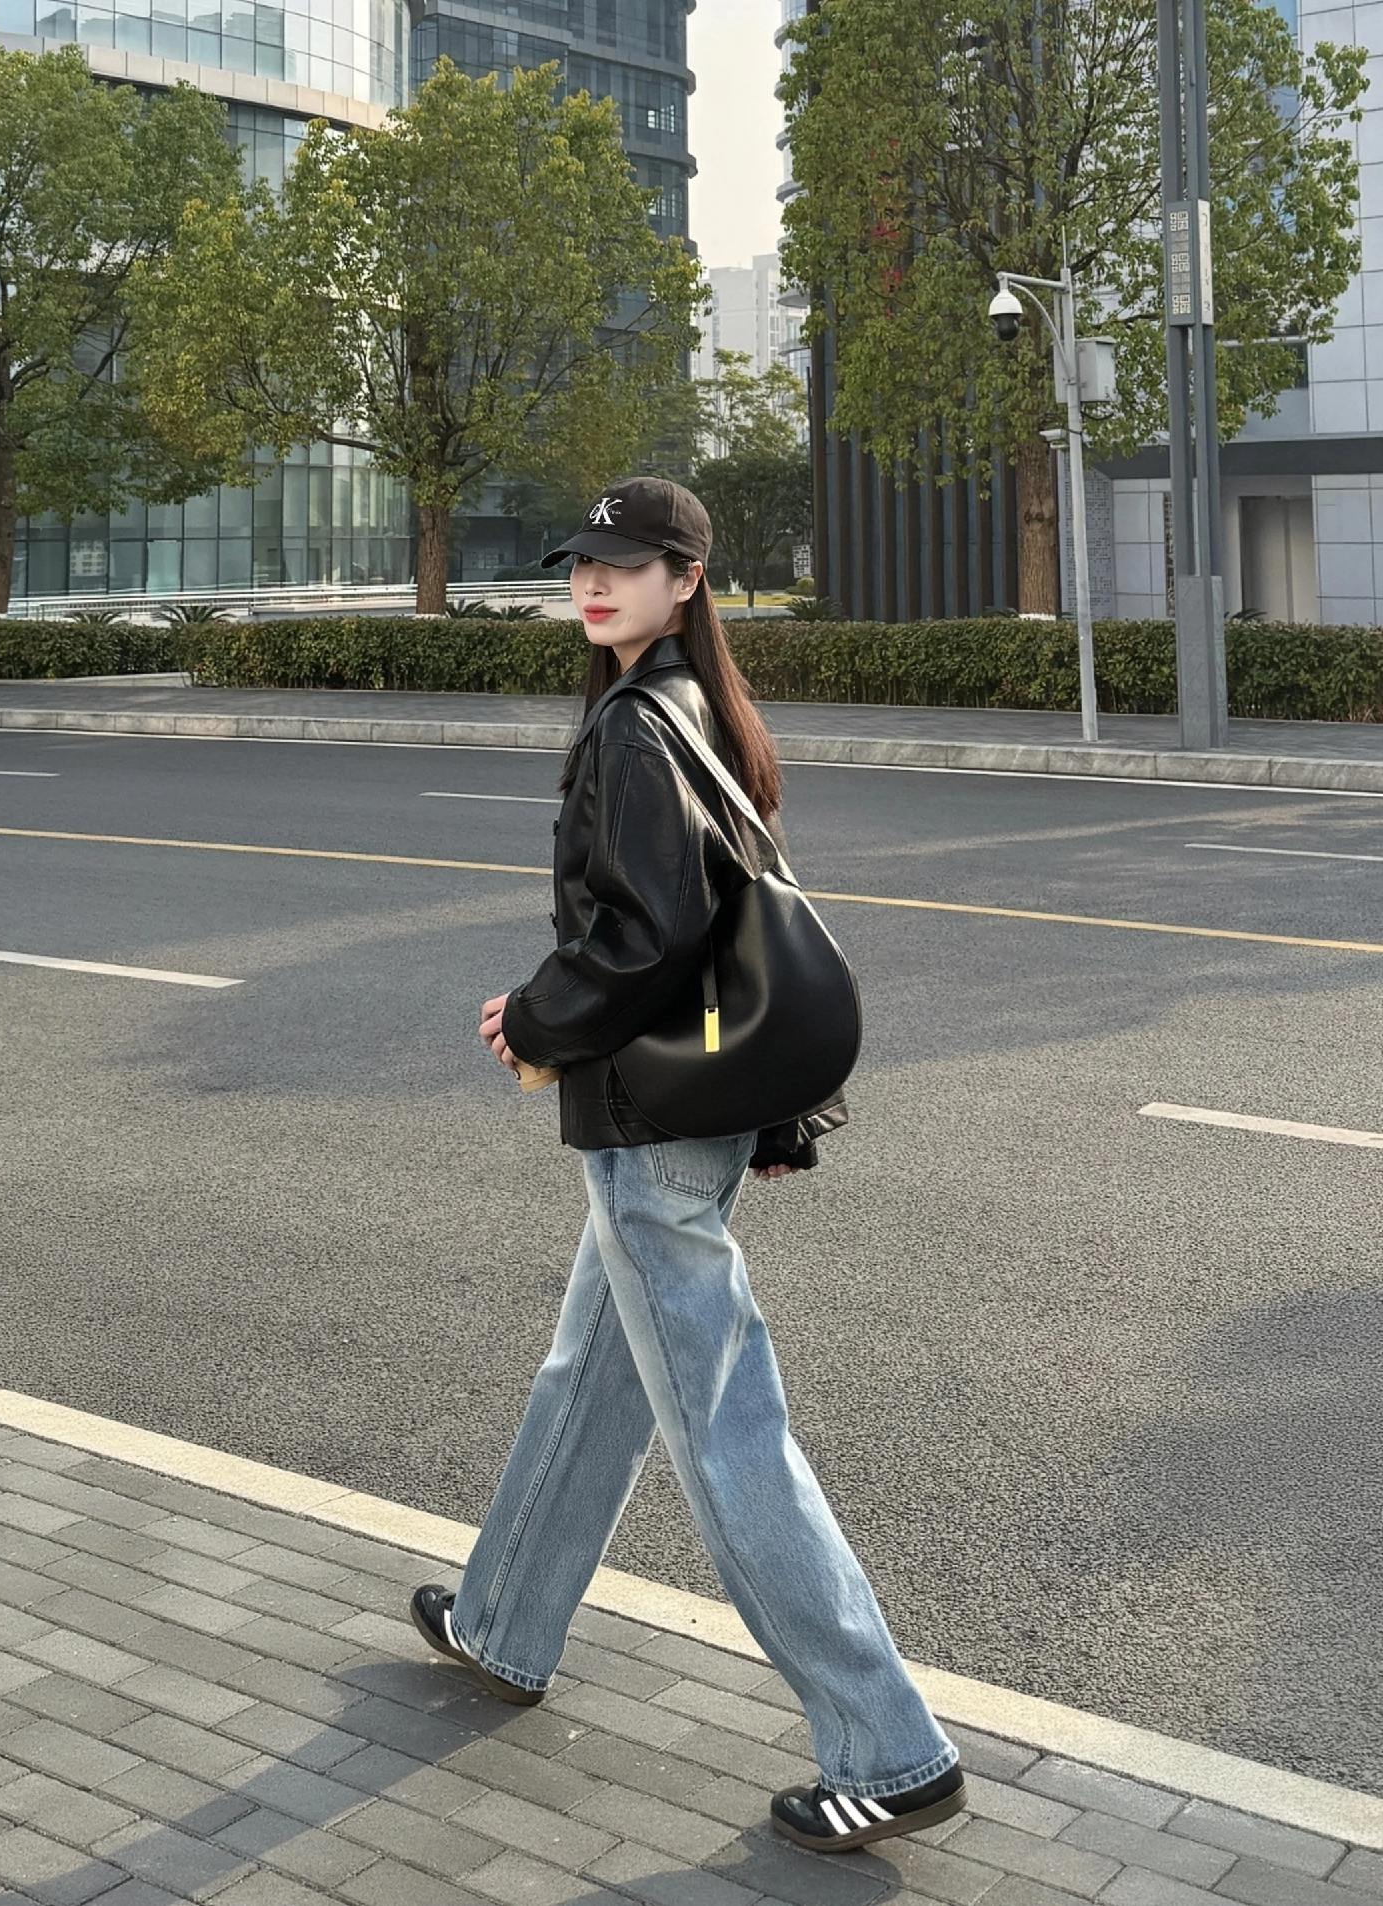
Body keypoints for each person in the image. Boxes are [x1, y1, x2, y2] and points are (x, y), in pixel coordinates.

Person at [409, 477, 965, 1855]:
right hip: (686, 1119)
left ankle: (890, 1747)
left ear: (688, 578)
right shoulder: (701, 710)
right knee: (592, 1374)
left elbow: (647, 939)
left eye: (627, 563)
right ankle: (502, 1618)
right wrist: (765, 1118)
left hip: (651, 1124)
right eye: (580, 564)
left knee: (726, 1434)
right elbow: (729, 926)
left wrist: (533, 1021)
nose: (593, 583)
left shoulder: (635, 725)